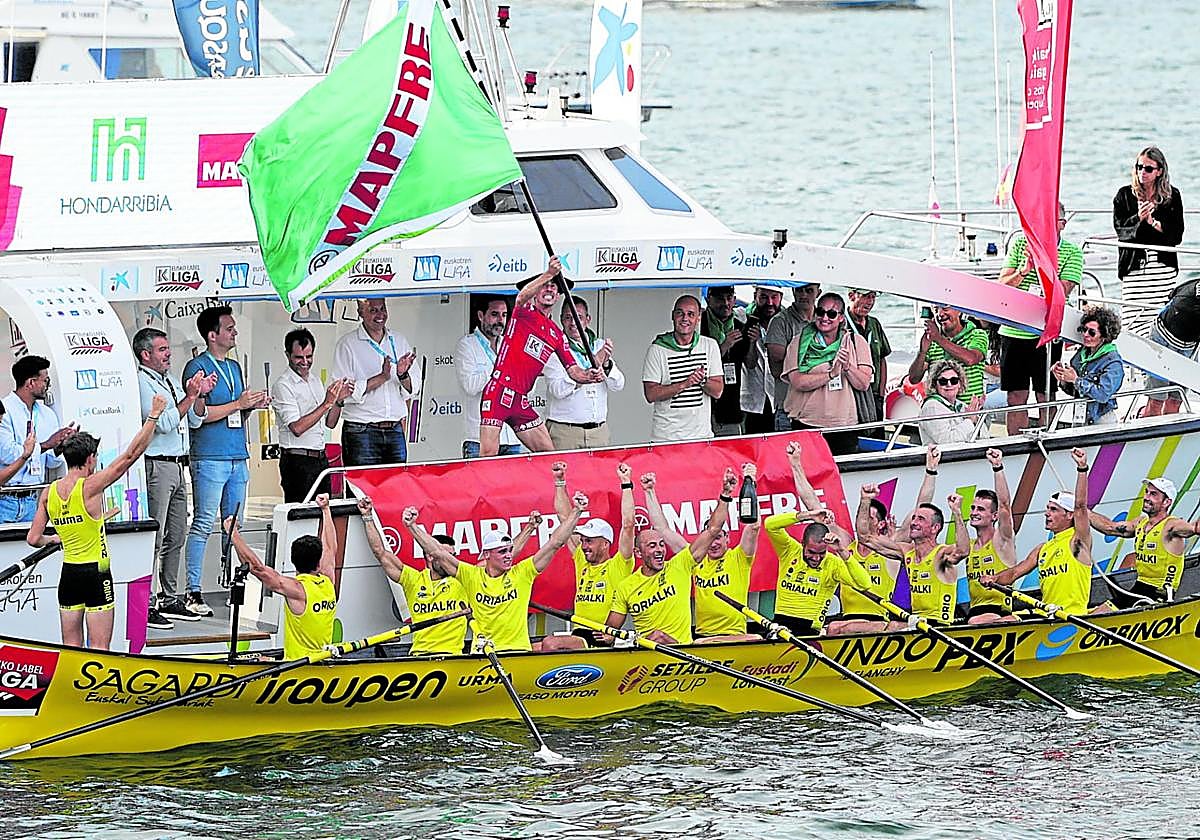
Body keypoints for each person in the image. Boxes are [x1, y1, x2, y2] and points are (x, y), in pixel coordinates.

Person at [26, 393, 169, 649]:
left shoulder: (49, 493)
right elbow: (129, 457)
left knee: (70, 647)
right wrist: (154, 416)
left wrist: (56, 538)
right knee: (100, 649)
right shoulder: (91, 486)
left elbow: (34, 539)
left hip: (68, 575)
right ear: (90, 458)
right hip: (96, 574)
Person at [182, 305, 269, 618]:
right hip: (210, 456)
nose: (234, 333)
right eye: (229, 328)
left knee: (235, 525)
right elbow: (199, 416)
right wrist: (238, 404)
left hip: (237, 454)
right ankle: (193, 590)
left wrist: (252, 406)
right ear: (212, 335)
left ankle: (235, 585)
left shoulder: (233, 366)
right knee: (205, 522)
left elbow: (236, 411)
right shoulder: (197, 366)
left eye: (234, 328)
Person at [426, 487, 588, 653]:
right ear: (486, 555)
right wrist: (411, 526)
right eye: (502, 552)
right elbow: (437, 553)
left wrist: (577, 511)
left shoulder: (522, 572)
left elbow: (555, 543)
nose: (509, 555)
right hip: (483, 655)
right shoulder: (471, 575)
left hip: (517, 652)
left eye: (510, 550)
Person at [133, 326, 216, 629]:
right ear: (146, 354)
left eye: (168, 348)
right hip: (158, 465)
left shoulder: (166, 379)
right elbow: (165, 423)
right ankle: (149, 599)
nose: (168, 354)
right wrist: (190, 395)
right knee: (155, 537)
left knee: (177, 534)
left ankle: (169, 597)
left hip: (179, 464)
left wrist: (200, 396)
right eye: (162, 349)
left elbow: (194, 418)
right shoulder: (142, 382)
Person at [479, 257, 604, 456]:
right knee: (487, 456)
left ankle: (554, 487)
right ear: (536, 291)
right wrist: (549, 274)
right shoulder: (524, 311)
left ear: (558, 295)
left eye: (554, 286)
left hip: (521, 399)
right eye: (545, 285)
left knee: (548, 454)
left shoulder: (557, 333)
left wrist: (590, 376)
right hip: (499, 391)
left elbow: (574, 371)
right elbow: (520, 297)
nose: (549, 288)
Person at [606, 468, 736, 644]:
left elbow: (713, 529)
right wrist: (605, 636)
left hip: (684, 655)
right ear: (638, 553)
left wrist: (726, 495)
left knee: (755, 638)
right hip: (649, 658)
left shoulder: (680, 564)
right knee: (656, 636)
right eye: (652, 546)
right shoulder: (626, 587)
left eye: (661, 544)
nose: (660, 550)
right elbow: (609, 633)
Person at [641, 464, 761, 642]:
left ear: (728, 538)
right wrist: (649, 491)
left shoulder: (739, 557)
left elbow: (753, 525)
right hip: (703, 639)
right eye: (710, 538)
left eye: (718, 537)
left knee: (756, 638)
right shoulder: (695, 559)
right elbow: (663, 529)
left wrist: (750, 481)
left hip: (736, 637)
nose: (713, 543)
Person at [996, 204, 1083, 434]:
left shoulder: (1072, 252)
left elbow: (1062, 292)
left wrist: (1045, 263)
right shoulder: (1020, 244)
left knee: (1046, 393)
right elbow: (1003, 285)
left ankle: (1049, 438)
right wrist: (1024, 270)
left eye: (1049, 219)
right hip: (1014, 330)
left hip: (1047, 332)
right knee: (1015, 395)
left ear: (1062, 225)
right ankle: (1014, 444)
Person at [983, 448, 1095, 616]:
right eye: (1047, 509)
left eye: (1054, 510)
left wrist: (1082, 469)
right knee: (997, 623)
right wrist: (995, 578)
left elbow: (1080, 506)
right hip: (1046, 613)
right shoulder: (1042, 549)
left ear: (1069, 515)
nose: (1047, 513)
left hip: (1072, 615)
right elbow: (1015, 572)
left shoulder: (1079, 541)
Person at [227, 495, 338, 660]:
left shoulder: (297, 590)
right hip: (324, 659)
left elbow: (256, 567)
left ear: (293, 561)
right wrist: (326, 510)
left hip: (298, 666)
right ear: (318, 562)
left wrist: (232, 533)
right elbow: (330, 547)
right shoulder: (329, 579)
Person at [358, 497, 470, 656]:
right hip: (419, 656)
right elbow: (380, 553)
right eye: (447, 556)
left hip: (451, 656)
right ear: (431, 556)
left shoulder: (463, 579)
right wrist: (367, 517)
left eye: (453, 556)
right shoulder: (414, 579)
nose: (451, 561)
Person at [546, 461, 635, 649]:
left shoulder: (618, 565)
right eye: (584, 540)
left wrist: (626, 483)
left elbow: (628, 524)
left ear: (605, 544)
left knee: (550, 644)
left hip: (599, 637)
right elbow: (564, 517)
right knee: (532, 648)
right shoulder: (582, 560)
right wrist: (559, 482)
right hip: (578, 635)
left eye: (590, 541)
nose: (584, 545)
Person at [781, 291, 873, 456]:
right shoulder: (799, 342)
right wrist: (830, 374)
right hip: (806, 424)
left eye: (831, 314)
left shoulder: (856, 342)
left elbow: (864, 383)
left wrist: (847, 367)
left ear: (841, 318)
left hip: (844, 427)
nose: (825, 318)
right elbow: (797, 381)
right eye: (820, 312)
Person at [332, 298, 420, 466]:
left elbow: (414, 388)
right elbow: (342, 392)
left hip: (394, 429)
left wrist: (402, 375)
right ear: (360, 313)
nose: (380, 315)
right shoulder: (348, 344)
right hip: (361, 430)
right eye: (373, 310)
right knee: (362, 490)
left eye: (382, 309)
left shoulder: (399, 340)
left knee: (394, 488)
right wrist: (380, 378)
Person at [1087, 477, 1198, 608]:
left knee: (1102, 615)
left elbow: (1193, 528)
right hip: (1138, 589)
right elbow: (1109, 528)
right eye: (1146, 492)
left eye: (1153, 494)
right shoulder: (1141, 522)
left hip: (1158, 596)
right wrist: (1082, 510)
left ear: (1167, 502)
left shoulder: (1172, 525)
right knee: (1097, 612)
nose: (1146, 497)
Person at [271, 328, 352, 502]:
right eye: (299, 357)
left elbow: (330, 423)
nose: (305, 362)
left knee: (324, 515)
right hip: (296, 460)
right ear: (287, 355)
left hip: (320, 458)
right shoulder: (283, 385)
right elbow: (297, 428)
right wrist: (327, 404)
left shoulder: (315, 380)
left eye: (309, 356)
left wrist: (339, 401)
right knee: (300, 519)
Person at [1113, 146, 1185, 338]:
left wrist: (1154, 223)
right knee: (1132, 320)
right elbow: (1121, 230)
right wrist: (1139, 218)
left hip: (1162, 268)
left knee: (1161, 322)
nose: (1142, 172)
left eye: (1148, 169)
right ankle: (1133, 367)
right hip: (1135, 267)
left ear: (1160, 171)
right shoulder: (1125, 195)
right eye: (1139, 167)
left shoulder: (1172, 196)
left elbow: (1176, 235)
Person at [763, 510, 871, 637]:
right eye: (811, 552)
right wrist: (809, 516)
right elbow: (770, 525)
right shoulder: (790, 550)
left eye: (821, 553)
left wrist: (842, 550)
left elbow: (865, 584)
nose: (816, 558)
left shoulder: (834, 564)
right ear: (803, 544)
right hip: (780, 627)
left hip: (809, 632)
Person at [0, 356, 76, 523]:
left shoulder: (47, 414)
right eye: (45, 381)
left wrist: (60, 445)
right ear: (31, 383)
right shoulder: (4, 411)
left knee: (31, 547)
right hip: (5, 499)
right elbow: (7, 454)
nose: (47, 386)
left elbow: (51, 463)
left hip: (33, 499)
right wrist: (47, 444)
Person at [544, 296, 624, 450]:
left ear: (588, 319)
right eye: (568, 317)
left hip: (598, 432)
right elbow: (557, 390)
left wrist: (606, 365)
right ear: (561, 320)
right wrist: (583, 376)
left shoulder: (599, 345)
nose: (573, 323)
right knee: (563, 475)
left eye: (578, 317)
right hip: (565, 433)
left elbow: (618, 385)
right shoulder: (555, 348)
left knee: (600, 474)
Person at [642, 294, 724, 442]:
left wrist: (702, 380)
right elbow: (651, 394)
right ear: (673, 316)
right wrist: (684, 384)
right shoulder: (657, 349)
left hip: (701, 437)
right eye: (680, 313)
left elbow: (718, 391)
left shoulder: (710, 345)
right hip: (666, 438)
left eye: (691, 314)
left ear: (698, 318)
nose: (685, 318)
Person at [825, 484, 902, 636]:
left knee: (835, 627)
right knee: (833, 628)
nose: (863, 521)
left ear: (881, 524)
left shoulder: (889, 551)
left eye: (869, 517)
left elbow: (921, 511)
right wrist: (796, 464)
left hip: (878, 622)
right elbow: (813, 503)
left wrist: (930, 471)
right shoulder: (846, 544)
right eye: (861, 516)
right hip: (845, 620)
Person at [456, 294, 525, 458]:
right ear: (481, 316)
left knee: (514, 484)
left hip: (511, 436)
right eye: (494, 314)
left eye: (504, 315)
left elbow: (523, 386)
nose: (500, 320)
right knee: (480, 484)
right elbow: (470, 386)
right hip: (479, 439)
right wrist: (500, 371)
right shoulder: (467, 345)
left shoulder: (510, 345)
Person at [962, 449, 1019, 624]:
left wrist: (997, 467)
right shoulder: (968, 546)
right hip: (974, 613)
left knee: (975, 622)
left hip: (999, 612)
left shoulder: (1002, 540)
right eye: (972, 508)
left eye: (980, 509)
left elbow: (1004, 506)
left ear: (994, 516)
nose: (974, 513)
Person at [1052, 305, 1124, 426]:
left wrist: (1075, 380)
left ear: (1104, 335)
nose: (1085, 335)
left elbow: (1103, 395)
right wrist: (1063, 379)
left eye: (1091, 332)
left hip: (1101, 420)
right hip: (1080, 417)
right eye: (1083, 330)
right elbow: (1075, 392)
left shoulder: (1113, 362)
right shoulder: (1080, 355)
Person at [1144, 276, 1200, 416]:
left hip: (1189, 346)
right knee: (1157, 400)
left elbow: (1173, 293)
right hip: (1162, 339)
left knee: (1176, 400)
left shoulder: (1193, 284)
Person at [766, 283, 819, 430]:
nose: (803, 295)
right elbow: (776, 365)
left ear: (818, 292)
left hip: (820, 409)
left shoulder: (825, 318)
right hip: (788, 409)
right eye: (799, 290)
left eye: (809, 291)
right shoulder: (779, 321)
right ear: (793, 291)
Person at [907, 305, 989, 399]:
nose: (940, 314)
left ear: (959, 311)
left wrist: (938, 338)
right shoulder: (932, 340)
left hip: (970, 409)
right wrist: (922, 352)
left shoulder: (977, 334)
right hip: (939, 408)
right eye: (936, 309)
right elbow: (914, 379)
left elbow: (971, 359)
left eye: (945, 308)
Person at [701, 285, 748, 436]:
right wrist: (724, 345)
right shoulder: (699, 327)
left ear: (735, 300)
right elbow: (700, 365)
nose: (726, 303)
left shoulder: (741, 328)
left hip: (731, 407)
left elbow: (750, 363)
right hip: (703, 406)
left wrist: (753, 343)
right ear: (708, 300)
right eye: (720, 299)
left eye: (729, 298)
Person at [740, 286, 783, 434]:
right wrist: (752, 342)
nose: (769, 303)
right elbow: (750, 364)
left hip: (779, 399)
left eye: (774, 297)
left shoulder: (786, 323)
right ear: (755, 297)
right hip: (753, 400)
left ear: (781, 297)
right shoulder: (744, 320)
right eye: (764, 297)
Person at [846, 289, 892, 425]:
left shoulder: (874, 323)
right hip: (851, 395)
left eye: (873, 297)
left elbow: (882, 358)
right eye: (866, 296)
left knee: (877, 435)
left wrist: (881, 394)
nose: (870, 302)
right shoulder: (840, 323)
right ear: (851, 295)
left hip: (875, 394)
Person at [919, 359, 984, 445]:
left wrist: (976, 420)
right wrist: (969, 420)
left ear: (960, 384)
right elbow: (947, 441)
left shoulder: (961, 406)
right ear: (935, 384)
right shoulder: (931, 407)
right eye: (943, 381)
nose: (949, 384)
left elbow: (984, 437)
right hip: (943, 457)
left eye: (954, 381)